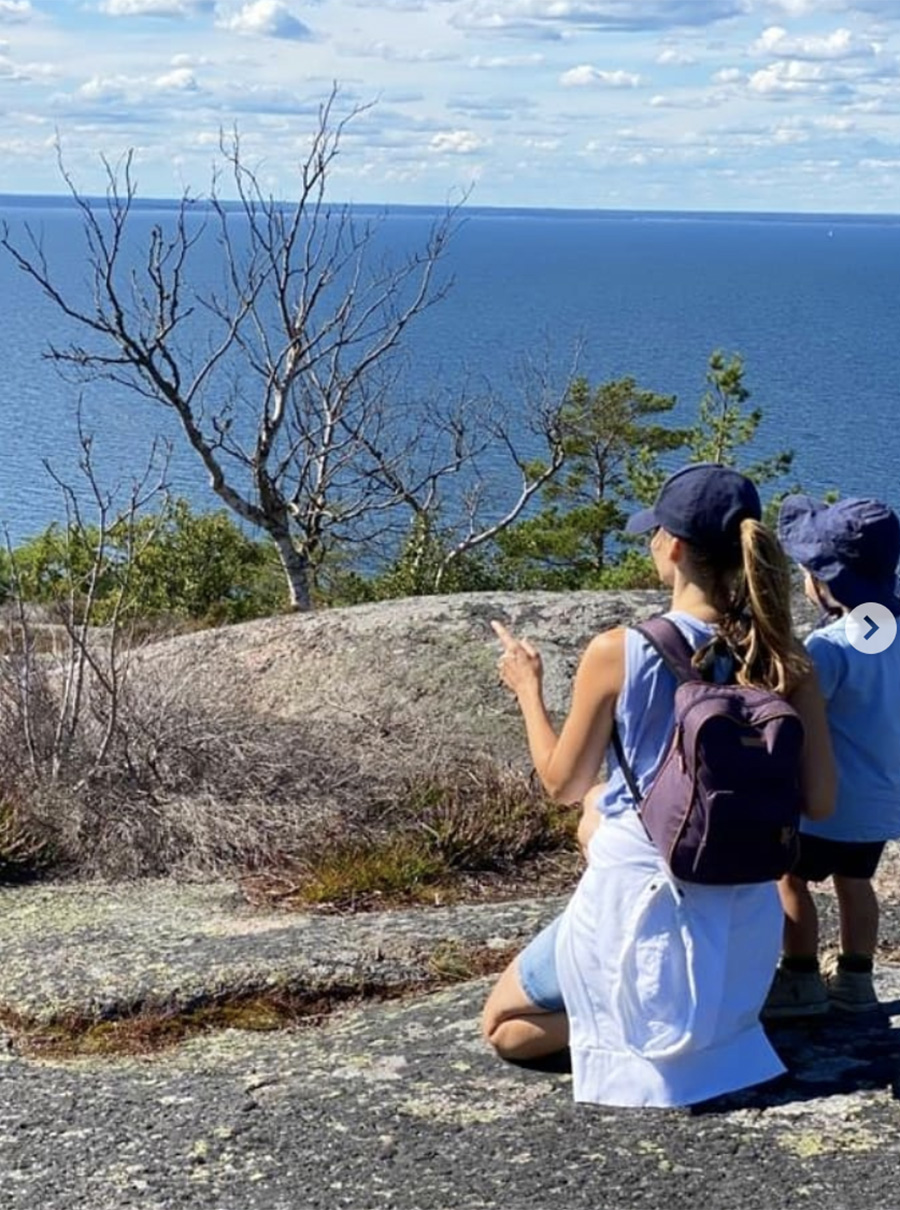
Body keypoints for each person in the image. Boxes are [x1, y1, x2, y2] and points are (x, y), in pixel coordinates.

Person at [482, 463, 835, 1108]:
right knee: (597, 812)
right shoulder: (789, 658)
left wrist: (528, 690)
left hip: (636, 899)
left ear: (670, 546)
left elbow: (562, 782)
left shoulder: (621, 650)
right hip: (741, 925)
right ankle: (694, 1029)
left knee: (502, 1027)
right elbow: (821, 801)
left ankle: (627, 1032)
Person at [763, 496, 900, 1018]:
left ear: (827, 581)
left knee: (791, 880)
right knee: (856, 883)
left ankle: (800, 978)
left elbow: (795, 714)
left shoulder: (829, 647)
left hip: (824, 803)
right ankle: (857, 979)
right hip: (880, 803)